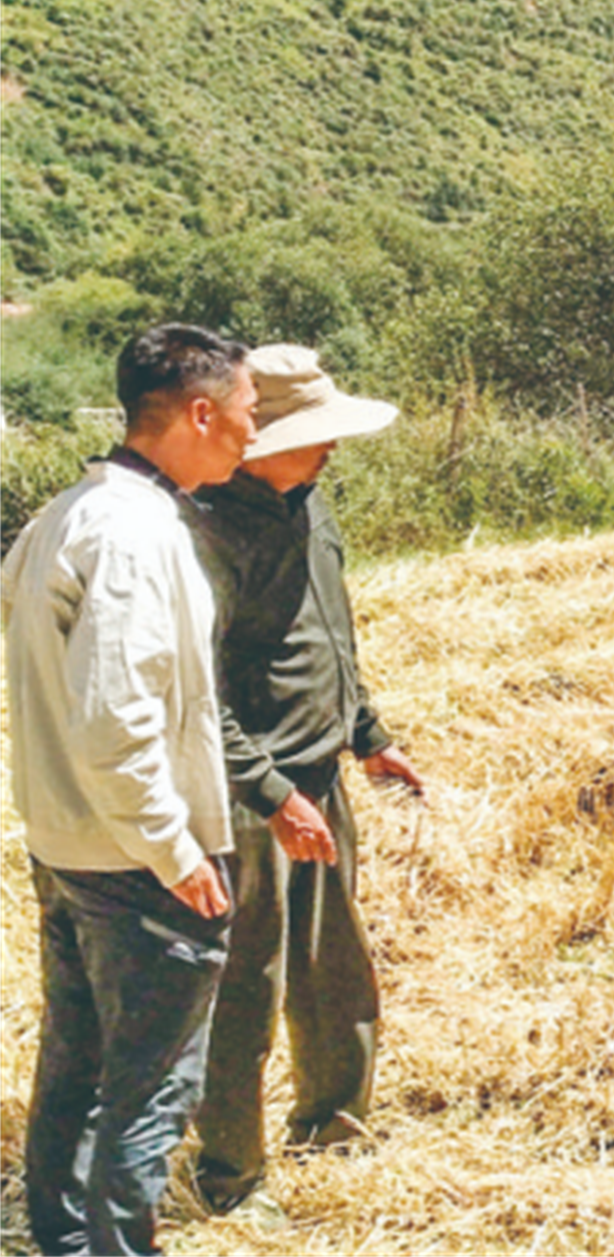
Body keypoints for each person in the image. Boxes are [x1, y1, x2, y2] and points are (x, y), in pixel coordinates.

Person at [2, 323, 258, 1257]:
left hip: (68, 841)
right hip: (135, 860)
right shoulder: (135, 533)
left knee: (75, 1072)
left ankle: (65, 1244)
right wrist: (174, 849)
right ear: (201, 412)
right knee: (148, 1093)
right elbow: (117, 717)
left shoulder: (67, 514)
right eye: (247, 410)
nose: (253, 430)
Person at [186, 344, 424, 1217]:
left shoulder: (309, 504)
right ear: (261, 441)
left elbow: (330, 633)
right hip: (246, 799)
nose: (332, 448)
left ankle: (335, 1124)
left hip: (317, 776)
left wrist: (367, 733)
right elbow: (196, 694)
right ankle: (231, 1175)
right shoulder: (202, 533)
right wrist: (269, 792)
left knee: (333, 971)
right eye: (316, 434)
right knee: (244, 987)